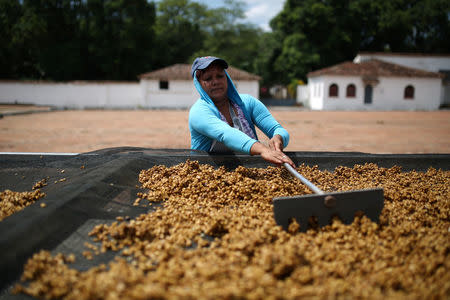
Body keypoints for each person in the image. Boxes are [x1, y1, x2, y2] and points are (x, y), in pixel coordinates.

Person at [189, 56, 294, 167]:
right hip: (206, 175)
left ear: (227, 78)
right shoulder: (199, 111)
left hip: (249, 171)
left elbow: (277, 129)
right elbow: (226, 134)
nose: (215, 82)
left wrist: (279, 138)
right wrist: (264, 150)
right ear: (199, 84)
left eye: (220, 76)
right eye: (208, 78)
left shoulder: (247, 103)